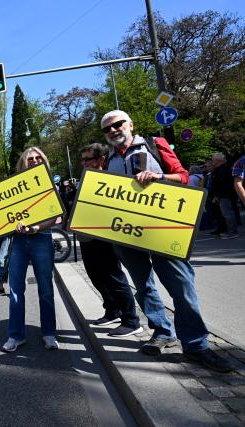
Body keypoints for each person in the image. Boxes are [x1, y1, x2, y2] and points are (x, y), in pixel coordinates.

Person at [101, 109, 232, 372]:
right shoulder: (108, 160)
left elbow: (184, 176)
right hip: (126, 234)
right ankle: (162, 331)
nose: (113, 130)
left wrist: (158, 177)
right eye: (107, 129)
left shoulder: (155, 145)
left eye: (117, 124)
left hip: (163, 229)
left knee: (182, 286)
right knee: (143, 286)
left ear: (130, 123)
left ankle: (196, 345)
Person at [78, 143, 142, 337]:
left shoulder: (107, 179)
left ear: (100, 160)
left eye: (87, 159)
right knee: (95, 275)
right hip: (86, 236)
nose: (83, 163)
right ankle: (112, 311)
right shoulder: (84, 178)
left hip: (104, 236)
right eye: (82, 159)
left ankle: (131, 320)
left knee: (113, 276)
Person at [3, 147, 59, 352]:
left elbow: (54, 216)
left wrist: (36, 227)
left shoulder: (49, 184)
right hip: (18, 240)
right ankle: (16, 335)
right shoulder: (12, 186)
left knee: (45, 288)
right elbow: (4, 214)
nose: (34, 161)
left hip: (42, 238)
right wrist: (11, 224)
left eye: (38, 158)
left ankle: (49, 333)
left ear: (44, 161)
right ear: (23, 163)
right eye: (30, 159)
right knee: (16, 290)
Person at [208, 153, 239, 239]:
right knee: (226, 214)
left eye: (213, 160)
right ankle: (229, 231)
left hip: (224, 195)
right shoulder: (222, 169)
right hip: (223, 195)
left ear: (218, 160)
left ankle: (233, 232)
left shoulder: (224, 169)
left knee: (227, 214)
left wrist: (217, 196)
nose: (212, 161)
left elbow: (222, 184)